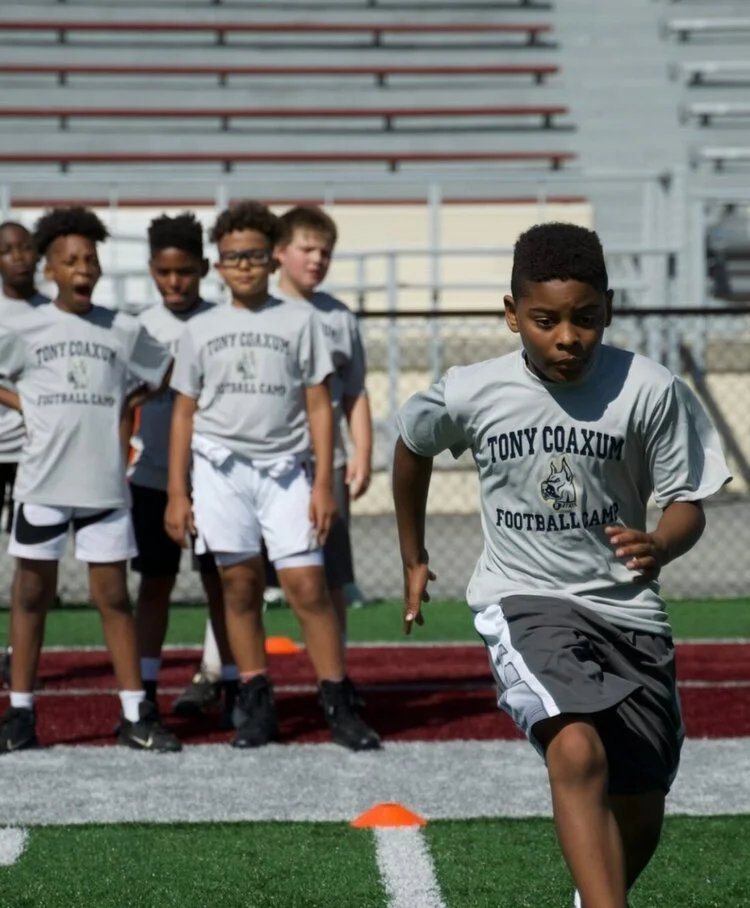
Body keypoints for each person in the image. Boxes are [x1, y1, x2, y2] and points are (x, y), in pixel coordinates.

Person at [392, 222, 731, 907]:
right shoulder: (473, 390)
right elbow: (412, 444)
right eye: (545, 321)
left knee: (640, 804)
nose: (567, 338)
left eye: (586, 319)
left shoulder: (649, 389)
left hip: (627, 609)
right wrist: (414, 554)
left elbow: (688, 500)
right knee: (576, 752)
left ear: (608, 309)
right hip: (525, 600)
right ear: (512, 312)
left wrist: (660, 543)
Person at [165, 200, 380, 751]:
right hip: (220, 471)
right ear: (219, 264)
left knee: (309, 585)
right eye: (233, 257)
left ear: (269, 258)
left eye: (254, 255)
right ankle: (256, 704)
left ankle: (337, 701)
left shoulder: (302, 320)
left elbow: (318, 406)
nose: (244, 266)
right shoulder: (201, 327)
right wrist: (176, 491)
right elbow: (184, 413)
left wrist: (323, 483)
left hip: (286, 469)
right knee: (238, 586)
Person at [0, 206, 181, 753]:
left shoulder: (123, 328)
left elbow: (162, 372)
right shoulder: (24, 326)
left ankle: (134, 714)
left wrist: (126, 404)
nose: (83, 267)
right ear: (49, 269)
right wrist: (25, 405)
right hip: (42, 486)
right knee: (30, 599)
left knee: (114, 599)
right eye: (70, 259)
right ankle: (20, 713)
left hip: (104, 488)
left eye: (90, 259)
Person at [126, 212, 236, 722]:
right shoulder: (138, 327)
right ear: (151, 270)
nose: (174, 282)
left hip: (214, 476)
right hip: (152, 477)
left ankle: (232, 681)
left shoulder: (222, 322)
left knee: (223, 583)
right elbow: (123, 399)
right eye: (165, 272)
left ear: (204, 269)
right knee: (155, 582)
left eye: (185, 272)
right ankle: (144, 686)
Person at [0, 221, 49, 689]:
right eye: (7, 249)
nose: (17, 256)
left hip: (36, 452)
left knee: (29, 559)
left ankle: (17, 651)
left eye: (24, 248)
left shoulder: (53, 312)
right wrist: (24, 403)